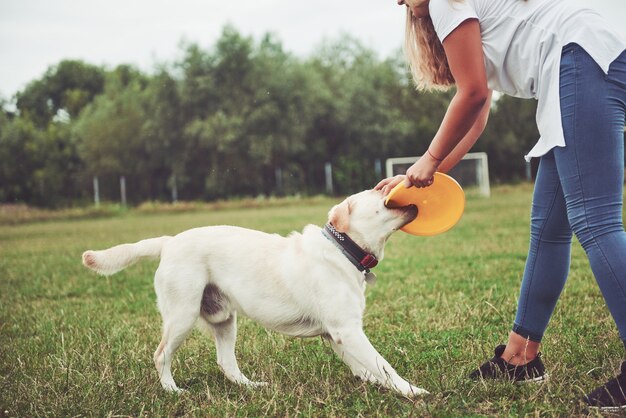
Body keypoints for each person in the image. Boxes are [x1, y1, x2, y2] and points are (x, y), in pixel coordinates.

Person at [375, 0, 626, 411]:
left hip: (578, 58)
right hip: (580, 61)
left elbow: (471, 95)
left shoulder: (444, 1)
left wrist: (429, 160)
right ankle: (520, 357)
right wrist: (423, 174)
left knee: (596, 222)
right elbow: (477, 110)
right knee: (548, 230)